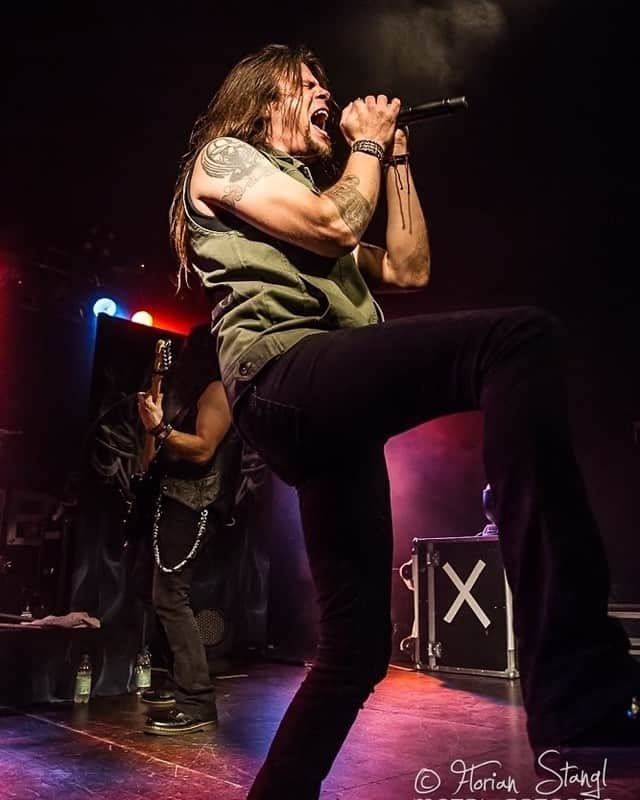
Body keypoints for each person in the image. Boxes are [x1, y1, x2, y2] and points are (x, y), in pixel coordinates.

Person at [169, 43, 639, 796]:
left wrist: (393, 160)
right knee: (516, 339)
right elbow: (331, 224)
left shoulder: (306, 200)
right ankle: (578, 691)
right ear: (264, 100)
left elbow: (410, 269)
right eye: (310, 84)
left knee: (354, 651)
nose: (328, 92)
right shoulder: (227, 159)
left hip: (329, 410)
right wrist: (362, 144)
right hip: (283, 374)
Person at [136, 323, 242, 735]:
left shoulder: (217, 389)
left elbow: (202, 450)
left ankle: (196, 701)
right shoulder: (188, 396)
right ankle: (178, 682)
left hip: (193, 504)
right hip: (172, 502)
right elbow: (152, 456)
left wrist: (162, 429)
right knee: (160, 596)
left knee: (171, 597)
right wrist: (154, 426)